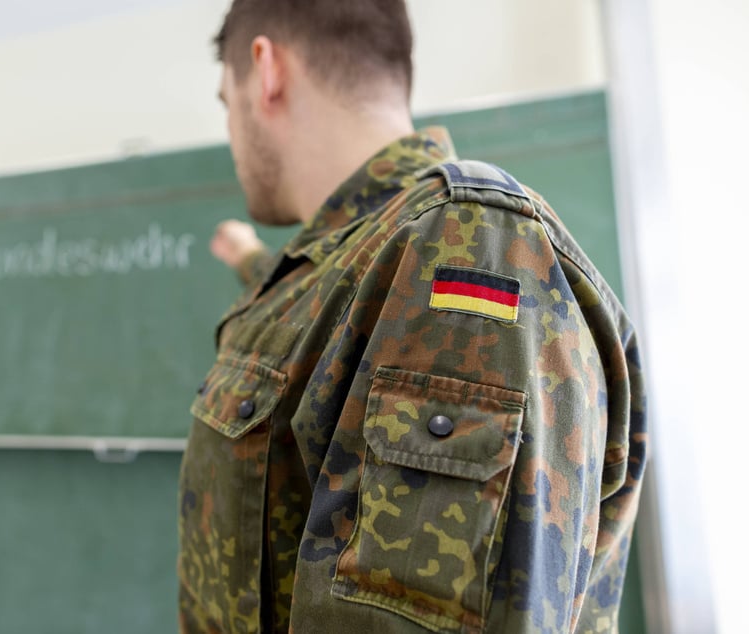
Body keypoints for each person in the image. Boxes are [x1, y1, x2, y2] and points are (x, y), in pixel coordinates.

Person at [178, 1, 647, 632]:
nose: (231, 135)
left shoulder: (465, 241)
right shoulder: (361, 255)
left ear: (266, 70)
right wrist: (251, 260)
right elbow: (316, 347)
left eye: (225, 103)